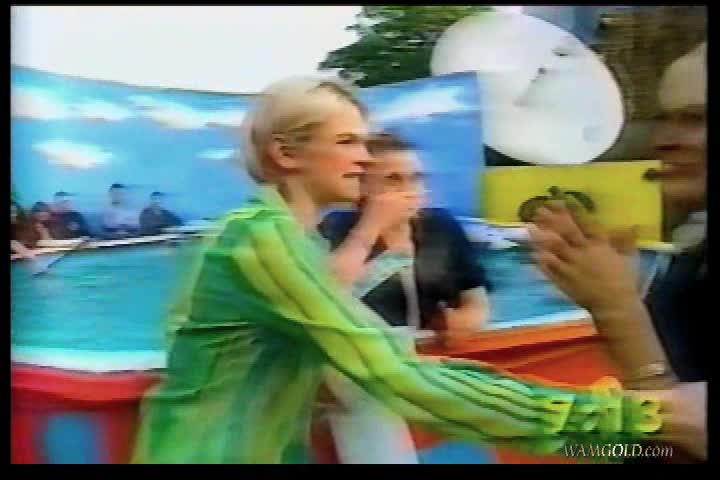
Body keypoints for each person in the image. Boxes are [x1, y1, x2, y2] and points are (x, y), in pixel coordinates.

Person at [132, 77, 663, 465]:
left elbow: (320, 314)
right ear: (286, 153)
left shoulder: (286, 236)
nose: (365, 159)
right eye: (347, 142)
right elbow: (393, 374)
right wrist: (619, 425)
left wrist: (393, 257)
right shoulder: (260, 238)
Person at [528, 42, 707, 462]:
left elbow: (679, 446)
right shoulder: (691, 256)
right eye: (665, 119)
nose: (664, 141)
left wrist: (617, 311)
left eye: (697, 119)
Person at [320, 132, 491, 334]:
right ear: (361, 185)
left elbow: (475, 300)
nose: (409, 190)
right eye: (393, 179)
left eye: (415, 178)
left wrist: (464, 321)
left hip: (426, 347)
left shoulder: (439, 226)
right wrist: (370, 226)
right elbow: (323, 299)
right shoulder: (334, 229)